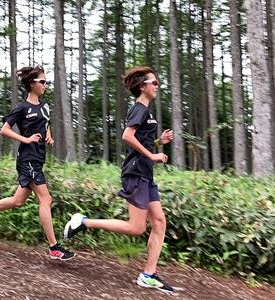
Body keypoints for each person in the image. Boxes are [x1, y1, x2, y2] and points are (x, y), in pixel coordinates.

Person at [64, 66, 175, 293]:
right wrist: (153, 155)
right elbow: (127, 136)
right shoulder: (139, 109)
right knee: (136, 228)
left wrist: (158, 143)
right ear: (142, 87)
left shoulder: (146, 112)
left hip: (145, 173)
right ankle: (83, 222)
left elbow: (140, 142)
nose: (157, 86)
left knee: (159, 223)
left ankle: (148, 274)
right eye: (154, 82)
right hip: (135, 174)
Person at [0, 65, 75, 261]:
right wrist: (25, 139)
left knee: (18, 201)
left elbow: (46, 124)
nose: (45, 85)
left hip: (38, 158)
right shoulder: (22, 108)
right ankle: (54, 247)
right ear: (31, 84)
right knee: (46, 199)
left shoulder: (44, 106)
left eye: (46, 81)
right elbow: (4, 129)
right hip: (27, 159)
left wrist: (49, 137)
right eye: (42, 82)